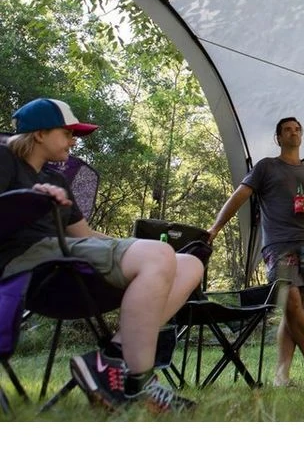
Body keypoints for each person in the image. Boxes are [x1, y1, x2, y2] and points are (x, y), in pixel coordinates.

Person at [1, 98, 204, 413]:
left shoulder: (57, 180)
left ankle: (111, 358)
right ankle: (138, 382)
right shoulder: (5, 160)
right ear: (39, 133)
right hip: (31, 265)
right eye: (67, 133)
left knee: (189, 264)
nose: (73, 141)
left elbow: (84, 235)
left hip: (66, 261)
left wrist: (147, 250)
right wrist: (28, 199)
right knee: (158, 255)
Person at [208, 116, 304, 385]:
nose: (293, 133)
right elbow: (239, 196)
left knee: (295, 307)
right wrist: (215, 228)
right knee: (291, 299)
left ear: (301, 135)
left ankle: (285, 375)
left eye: (297, 129)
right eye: (287, 130)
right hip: (278, 243)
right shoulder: (266, 167)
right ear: (278, 138)